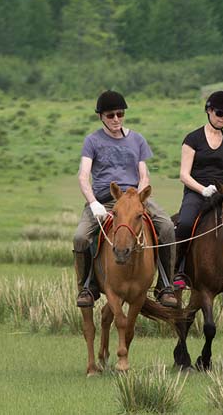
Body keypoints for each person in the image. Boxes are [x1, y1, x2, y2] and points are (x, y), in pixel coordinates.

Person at [72, 90, 178, 309]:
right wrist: (93, 203)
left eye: (120, 114)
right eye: (110, 115)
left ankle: (166, 285)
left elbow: (144, 175)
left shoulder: (136, 139)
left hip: (134, 199)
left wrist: (138, 199)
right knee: (81, 237)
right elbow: (83, 176)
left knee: (167, 227)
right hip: (105, 200)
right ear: (100, 116)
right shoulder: (92, 141)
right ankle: (86, 287)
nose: (116, 119)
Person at [173, 90, 223, 288]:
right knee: (185, 223)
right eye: (220, 113)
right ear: (209, 111)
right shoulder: (192, 139)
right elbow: (184, 175)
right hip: (197, 191)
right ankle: (177, 271)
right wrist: (203, 190)